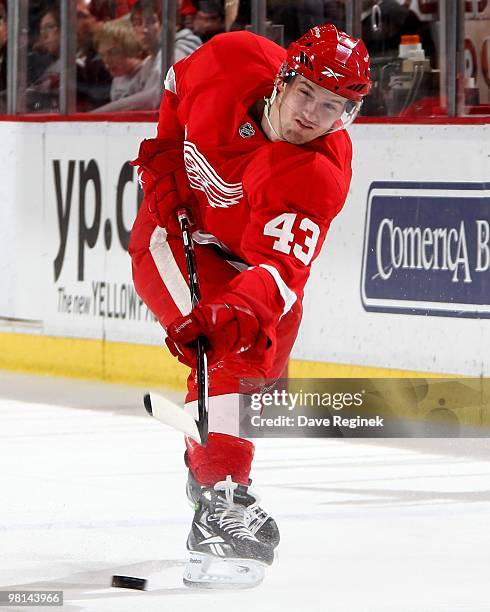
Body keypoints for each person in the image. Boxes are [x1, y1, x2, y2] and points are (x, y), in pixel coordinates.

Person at [129, 24, 371, 587]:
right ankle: (219, 499)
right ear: (283, 78)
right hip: (174, 236)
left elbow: (279, 273)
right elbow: (175, 83)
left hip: (249, 265)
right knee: (229, 362)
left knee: (257, 359)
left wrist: (231, 314)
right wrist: (166, 149)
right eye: (305, 92)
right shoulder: (231, 59)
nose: (312, 114)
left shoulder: (318, 173)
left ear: (347, 114)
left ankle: (208, 464)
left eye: (331, 106)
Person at [92, 0, 201, 111]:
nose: (144, 29)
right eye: (138, 23)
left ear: (173, 24)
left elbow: (158, 96)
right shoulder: (149, 62)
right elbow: (131, 94)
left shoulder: (179, 51)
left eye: (151, 21)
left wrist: (95, 115)